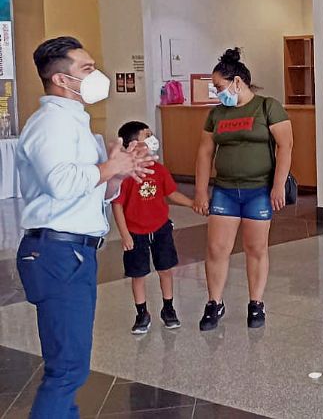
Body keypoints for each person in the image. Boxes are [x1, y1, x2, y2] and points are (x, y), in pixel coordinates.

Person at [16, 36, 154, 418]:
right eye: (87, 69)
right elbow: (60, 183)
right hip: (56, 252)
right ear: (61, 80)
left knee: (70, 367)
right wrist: (111, 167)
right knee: (66, 371)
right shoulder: (51, 123)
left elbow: (94, 190)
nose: (98, 76)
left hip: (74, 252)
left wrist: (119, 171)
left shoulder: (76, 122)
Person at [193, 48, 293, 330]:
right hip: (225, 190)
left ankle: (256, 303)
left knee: (255, 248)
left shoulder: (267, 107)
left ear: (238, 82)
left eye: (220, 87)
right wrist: (201, 190)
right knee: (216, 248)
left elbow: (286, 146)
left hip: (259, 190)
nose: (217, 93)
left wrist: (278, 186)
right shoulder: (217, 114)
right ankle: (214, 302)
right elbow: (204, 152)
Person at [112, 121, 195, 334]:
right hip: (135, 233)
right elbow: (117, 205)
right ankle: (142, 313)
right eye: (146, 135)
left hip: (160, 229)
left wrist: (192, 203)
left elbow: (172, 193)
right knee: (138, 274)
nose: (152, 138)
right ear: (132, 144)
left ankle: (168, 308)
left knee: (165, 270)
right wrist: (125, 235)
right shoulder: (126, 175)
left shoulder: (159, 169)